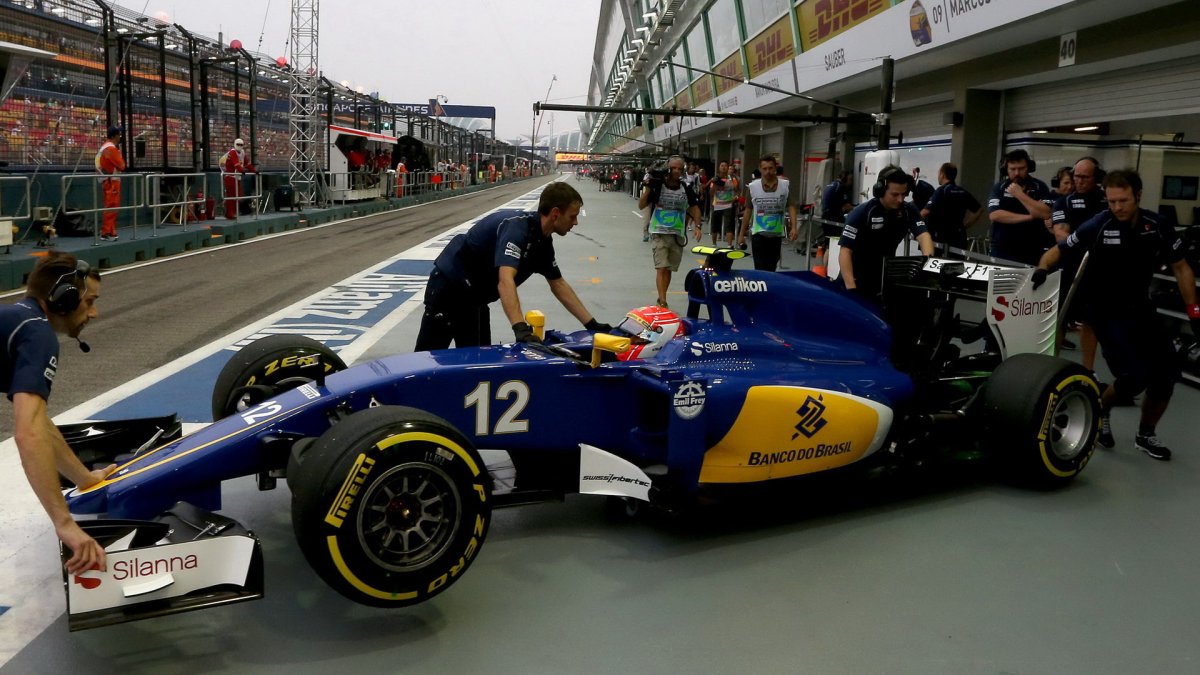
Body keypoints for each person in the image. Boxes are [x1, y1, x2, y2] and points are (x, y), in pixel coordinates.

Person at [1034, 169, 1198, 460]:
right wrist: (1041, 269)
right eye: (1111, 201)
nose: (1117, 207)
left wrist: (1194, 311)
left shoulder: (1157, 226)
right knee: (1134, 376)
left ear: (1138, 196)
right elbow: (1059, 250)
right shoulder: (1099, 224)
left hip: (1140, 309)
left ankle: (1145, 434)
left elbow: (1181, 267)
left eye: (1123, 201)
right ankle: (1101, 409)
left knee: (1164, 377)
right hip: (1103, 311)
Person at [2, 252, 111, 574]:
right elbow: (28, 434)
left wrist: (84, 478)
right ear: (63, 299)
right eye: (89, 301)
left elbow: (41, 426)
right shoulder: (38, 335)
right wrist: (64, 524)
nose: (94, 312)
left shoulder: (21, 322)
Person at [414, 182, 611, 350]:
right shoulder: (516, 229)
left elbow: (558, 284)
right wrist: (520, 329)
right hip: (448, 290)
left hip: (474, 298)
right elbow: (505, 280)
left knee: (479, 364)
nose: (575, 222)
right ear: (555, 213)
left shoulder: (542, 242)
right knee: (427, 360)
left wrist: (591, 324)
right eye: (572, 216)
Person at [839, 166, 935, 299]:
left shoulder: (908, 211)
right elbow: (845, 251)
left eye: (904, 194)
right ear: (880, 191)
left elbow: (924, 237)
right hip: (854, 279)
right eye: (895, 195)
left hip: (884, 278)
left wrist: (928, 264)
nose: (900, 199)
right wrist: (851, 288)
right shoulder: (862, 213)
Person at [1050, 157, 1106, 362]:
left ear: (1096, 178)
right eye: (1076, 176)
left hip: (1098, 272)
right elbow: (1060, 234)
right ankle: (1051, 364)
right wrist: (1087, 244)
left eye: (1085, 177)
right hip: (1068, 268)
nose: (1079, 181)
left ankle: (1087, 369)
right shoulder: (1063, 202)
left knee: (1090, 322)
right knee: (1059, 319)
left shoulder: (1107, 201)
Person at [639, 155, 702, 308]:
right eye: (673, 168)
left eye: (680, 169)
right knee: (661, 267)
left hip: (677, 234)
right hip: (659, 232)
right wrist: (648, 188)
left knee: (668, 269)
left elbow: (695, 208)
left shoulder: (685, 188)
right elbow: (641, 205)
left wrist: (697, 227)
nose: (676, 171)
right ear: (668, 168)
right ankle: (662, 300)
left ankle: (662, 296)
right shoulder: (658, 186)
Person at [987, 149, 1054, 265]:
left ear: (1028, 168)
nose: (1017, 173)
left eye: (1021, 168)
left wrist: (1019, 194)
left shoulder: (1039, 187)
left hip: (1033, 248)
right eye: (1012, 169)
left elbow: (1046, 213)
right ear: (1006, 170)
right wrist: (1031, 216)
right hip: (1003, 249)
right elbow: (995, 215)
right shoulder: (1000, 188)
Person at [737, 155, 798, 272]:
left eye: (770, 168)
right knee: (760, 268)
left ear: (775, 168)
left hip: (776, 234)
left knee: (771, 268)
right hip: (758, 234)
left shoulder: (785, 186)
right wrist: (741, 234)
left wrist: (794, 227)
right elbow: (748, 211)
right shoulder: (753, 187)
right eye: (764, 169)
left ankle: (767, 289)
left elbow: (791, 206)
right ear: (760, 169)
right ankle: (760, 289)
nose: (768, 171)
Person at [920, 162, 981, 251]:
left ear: (942, 174)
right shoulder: (962, 192)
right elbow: (979, 210)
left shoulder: (941, 191)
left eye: (939, 173)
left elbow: (926, 211)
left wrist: (914, 220)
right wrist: (965, 225)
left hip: (941, 238)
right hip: (959, 238)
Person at [94, 126, 124, 240]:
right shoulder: (110, 148)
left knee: (111, 206)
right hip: (111, 180)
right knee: (111, 206)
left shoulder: (104, 147)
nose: (120, 136)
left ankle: (111, 231)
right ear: (114, 136)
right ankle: (106, 233)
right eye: (119, 134)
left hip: (107, 179)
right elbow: (122, 166)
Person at [221, 138, 256, 219]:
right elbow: (236, 164)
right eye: (238, 144)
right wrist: (242, 170)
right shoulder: (232, 152)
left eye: (241, 145)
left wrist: (255, 171)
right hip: (230, 177)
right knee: (231, 197)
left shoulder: (242, 153)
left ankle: (231, 212)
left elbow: (247, 164)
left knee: (238, 196)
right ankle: (230, 213)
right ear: (235, 144)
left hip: (237, 177)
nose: (239, 146)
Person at [708, 161, 740, 247]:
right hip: (717, 204)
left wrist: (736, 197)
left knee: (729, 225)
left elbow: (737, 190)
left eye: (726, 166)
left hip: (729, 205)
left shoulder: (733, 179)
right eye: (722, 166)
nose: (724, 167)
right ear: (719, 167)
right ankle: (714, 243)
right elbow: (711, 193)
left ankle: (729, 245)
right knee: (715, 225)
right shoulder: (715, 179)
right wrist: (715, 184)